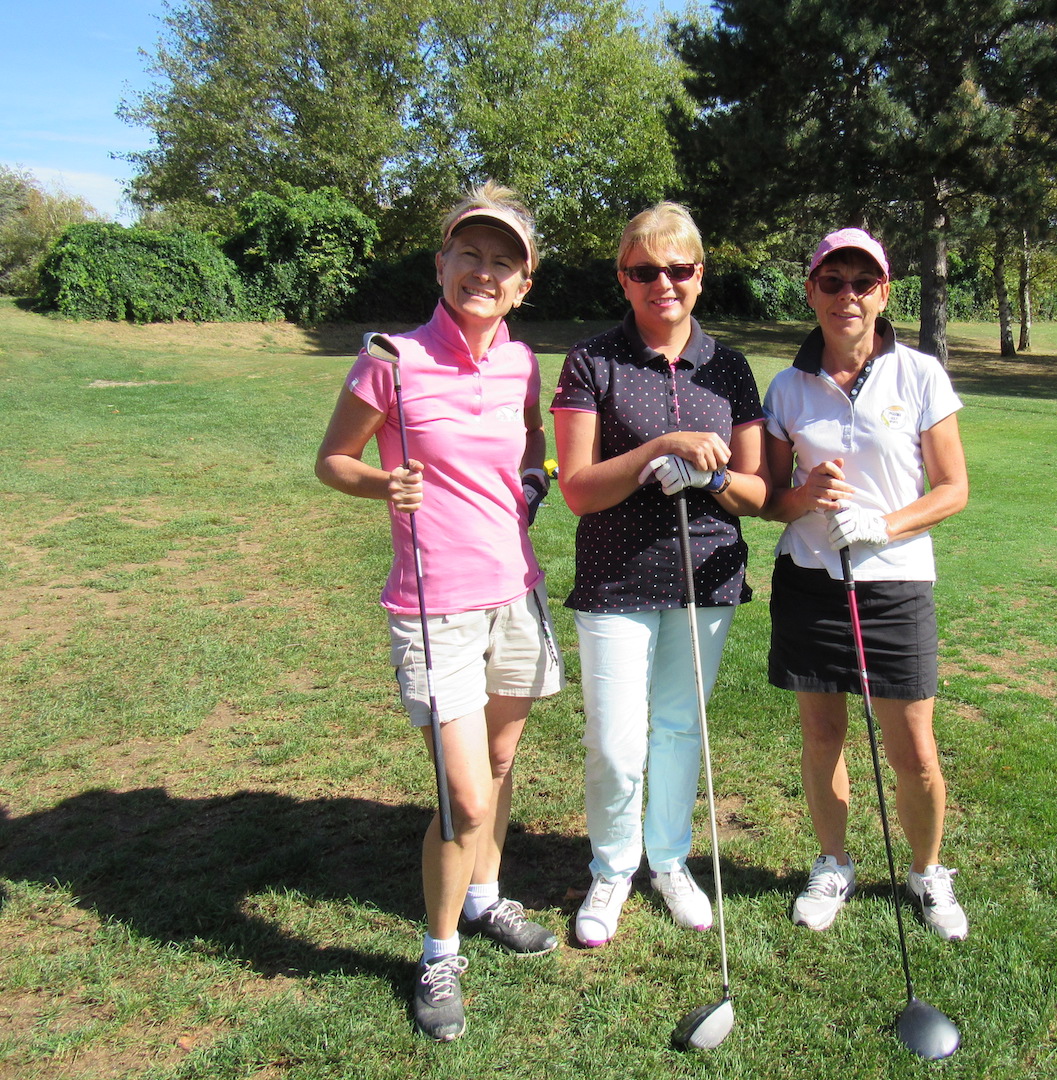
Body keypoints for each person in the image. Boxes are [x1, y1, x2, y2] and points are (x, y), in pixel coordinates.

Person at [315, 182, 563, 1042]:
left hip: (514, 594)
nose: (484, 272)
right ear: (442, 263)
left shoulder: (522, 362)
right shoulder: (390, 357)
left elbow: (530, 446)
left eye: (504, 262)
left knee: (496, 764)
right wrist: (385, 480)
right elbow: (331, 461)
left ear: (524, 284)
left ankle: (488, 897)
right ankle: (438, 947)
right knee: (462, 796)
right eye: (471, 254)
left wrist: (534, 482)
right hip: (432, 606)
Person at [550, 202, 768, 948]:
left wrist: (707, 482)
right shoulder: (593, 360)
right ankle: (613, 867)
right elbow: (577, 488)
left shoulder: (730, 367)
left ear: (700, 277)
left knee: (678, 730)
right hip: (616, 577)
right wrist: (658, 450)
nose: (662, 283)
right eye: (645, 271)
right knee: (615, 742)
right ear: (624, 278)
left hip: (705, 574)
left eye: (677, 269)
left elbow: (759, 490)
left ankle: (670, 859)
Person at [762, 227, 970, 941]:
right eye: (831, 281)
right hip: (812, 580)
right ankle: (832, 863)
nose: (846, 295)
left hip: (895, 583)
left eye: (862, 283)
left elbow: (953, 489)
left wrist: (884, 524)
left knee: (913, 749)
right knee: (822, 734)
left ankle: (928, 871)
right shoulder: (788, 387)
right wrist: (806, 493)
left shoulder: (919, 374)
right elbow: (769, 500)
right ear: (811, 290)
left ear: (884, 293)